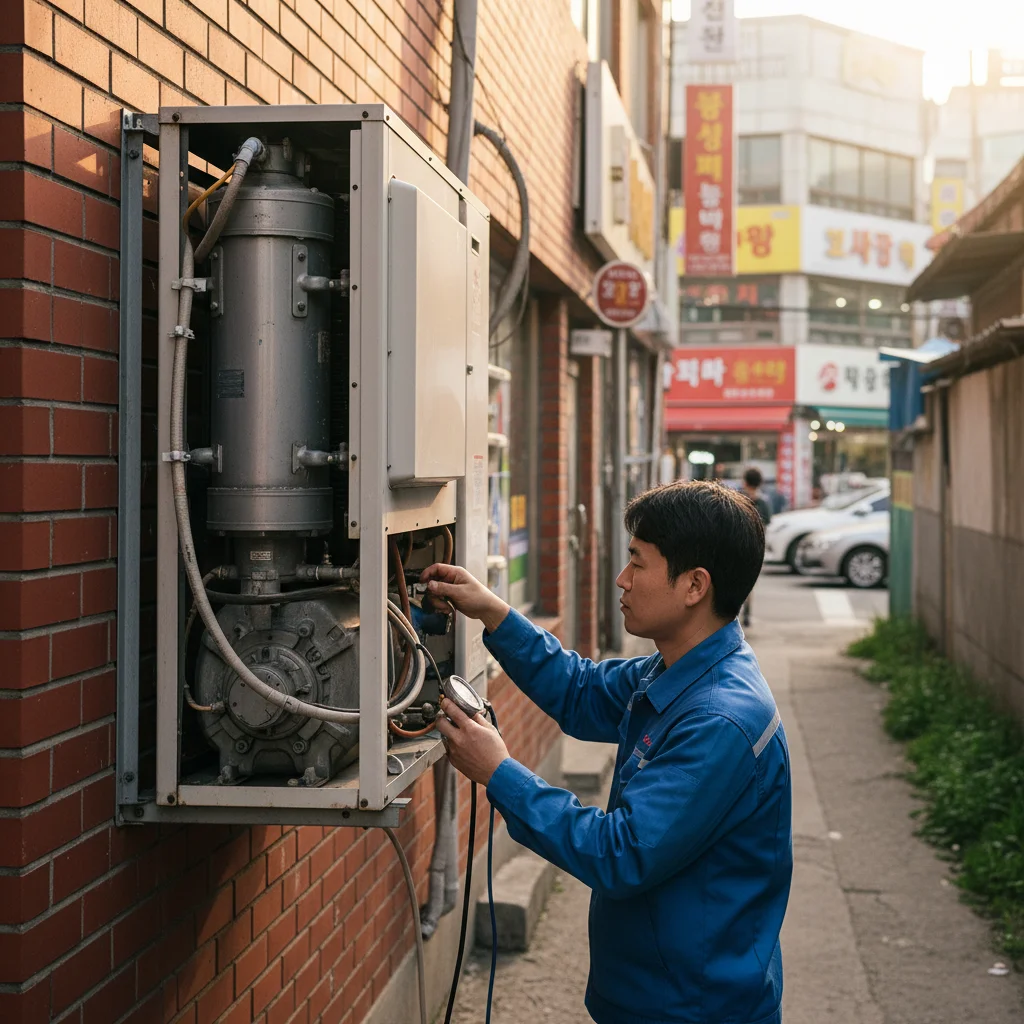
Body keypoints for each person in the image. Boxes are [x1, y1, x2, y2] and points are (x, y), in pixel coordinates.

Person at [423, 481, 792, 1024]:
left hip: (692, 1007)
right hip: (655, 993)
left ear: (694, 586)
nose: (622, 580)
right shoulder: (681, 669)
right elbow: (581, 692)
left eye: (638, 564)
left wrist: (499, 772)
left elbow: (622, 853)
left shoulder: (718, 719)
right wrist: (494, 612)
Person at [740, 467, 771, 628]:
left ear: (745, 482)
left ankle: (732, 614)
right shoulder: (763, 503)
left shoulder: (738, 500)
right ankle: (747, 615)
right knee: (749, 583)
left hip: (736, 545)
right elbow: (767, 525)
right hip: (755, 549)